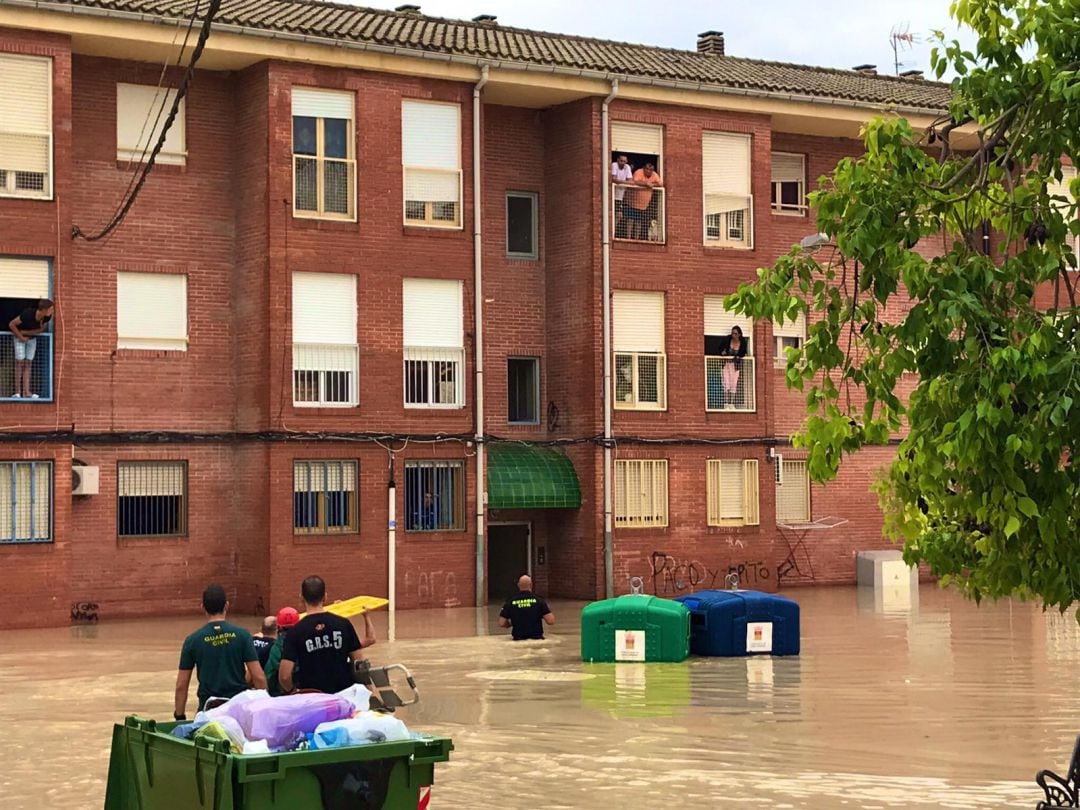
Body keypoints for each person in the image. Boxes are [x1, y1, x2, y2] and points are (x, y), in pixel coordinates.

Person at [174, 584, 267, 720]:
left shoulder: (193, 640)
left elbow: (182, 685)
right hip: (238, 711)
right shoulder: (242, 635)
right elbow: (258, 677)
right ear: (226, 606)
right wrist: (264, 709)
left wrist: (179, 716)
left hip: (208, 712)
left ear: (202, 608)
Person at [279, 576, 376, 695]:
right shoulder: (343, 624)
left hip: (313, 697)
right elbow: (359, 663)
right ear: (325, 596)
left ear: (301, 598)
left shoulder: (295, 632)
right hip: (343, 695)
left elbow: (284, 676)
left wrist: (294, 692)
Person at [8, 298, 54, 399]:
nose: (52, 312)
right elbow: (11, 324)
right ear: (43, 310)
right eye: (50, 309)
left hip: (32, 339)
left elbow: (41, 329)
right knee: (19, 363)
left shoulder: (47, 317)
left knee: (28, 363)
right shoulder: (28, 314)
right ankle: (17, 392)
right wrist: (21, 336)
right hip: (19, 338)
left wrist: (26, 333)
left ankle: (27, 392)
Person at [498, 575, 555, 641]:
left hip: (518, 639)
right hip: (537, 639)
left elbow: (501, 623)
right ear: (531, 585)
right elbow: (551, 621)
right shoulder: (539, 601)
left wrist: (510, 624)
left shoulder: (510, 601)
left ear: (518, 585)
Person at [265, 606, 300, 697]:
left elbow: (270, 674)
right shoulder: (303, 641)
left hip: (280, 694)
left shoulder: (276, 647)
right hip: (302, 692)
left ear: (278, 627)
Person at [629, 163, 663, 240]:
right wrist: (645, 184)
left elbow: (660, 184)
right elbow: (635, 181)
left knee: (639, 221)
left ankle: (636, 238)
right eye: (647, 169)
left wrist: (652, 185)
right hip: (631, 201)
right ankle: (628, 237)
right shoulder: (638, 172)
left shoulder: (654, 175)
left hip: (644, 204)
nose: (648, 171)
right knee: (630, 220)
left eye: (650, 170)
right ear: (643, 168)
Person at [719, 325, 748, 408]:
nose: (733, 335)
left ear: (739, 334)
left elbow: (743, 353)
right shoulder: (727, 340)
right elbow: (720, 348)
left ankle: (731, 403)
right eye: (732, 333)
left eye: (735, 334)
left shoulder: (742, 342)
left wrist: (738, 356)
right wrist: (722, 352)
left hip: (735, 366)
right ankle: (726, 403)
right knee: (726, 383)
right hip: (726, 365)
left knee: (733, 383)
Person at [611, 154, 633, 237]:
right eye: (621, 161)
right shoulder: (614, 165)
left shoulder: (627, 167)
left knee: (619, 215)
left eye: (624, 161)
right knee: (614, 213)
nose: (622, 163)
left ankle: (614, 230)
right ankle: (611, 231)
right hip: (612, 194)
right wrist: (624, 182)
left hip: (621, 196)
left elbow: (630, 181)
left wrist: (621, 182)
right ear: (617, 160)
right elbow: (614, 179)